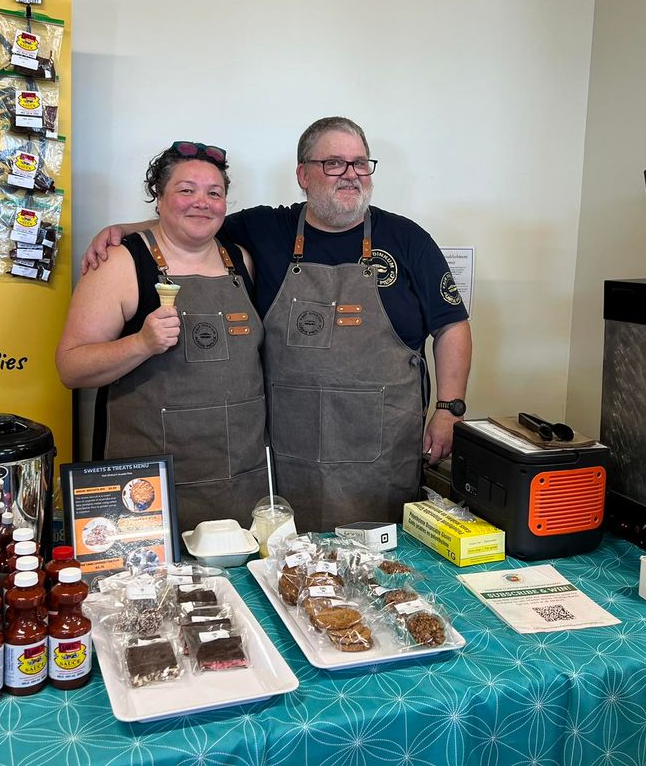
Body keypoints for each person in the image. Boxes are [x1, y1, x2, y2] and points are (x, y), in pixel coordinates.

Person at [82, 117, 472, 531]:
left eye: (360, 163)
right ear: (303, 174)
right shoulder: (264, 229)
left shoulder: (408, 239)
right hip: (291, 456)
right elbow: (193, 224)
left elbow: (453, 326)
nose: (351, 175)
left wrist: (449, 409)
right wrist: (123, 230)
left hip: (383, 452)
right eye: (335, 163)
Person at [57, 142, 268, 531]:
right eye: (186, 190)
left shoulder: (242, 260)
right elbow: (71, 368)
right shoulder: (121, 262)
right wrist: (140, 344)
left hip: (240, 484)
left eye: (214, 193)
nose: (201, 202)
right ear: (159, 197)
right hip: (146, 495)